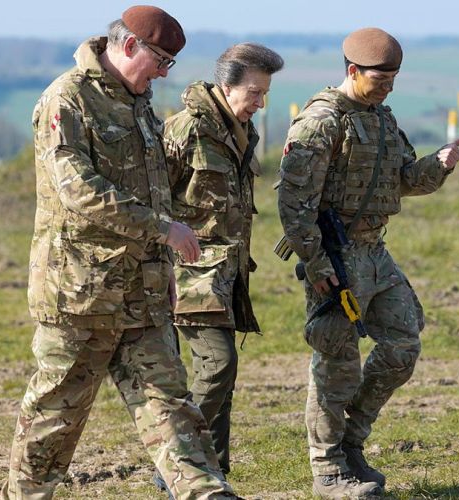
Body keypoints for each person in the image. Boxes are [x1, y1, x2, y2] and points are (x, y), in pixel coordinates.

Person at [2, 6, 237, 499]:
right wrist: (162, 229)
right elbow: (77, 189)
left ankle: (204, 492)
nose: (164, 73)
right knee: (56, 415)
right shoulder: (66, 99)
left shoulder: (139, 103)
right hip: (81, 295)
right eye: (160, 61)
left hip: (143, 292)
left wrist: (163, 262)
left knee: (170, 405)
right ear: (129, 46)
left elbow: (153, 189)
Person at [276, 27, 459, 499]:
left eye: (394, 79)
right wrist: (317, 264)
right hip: (336, 257)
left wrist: (438, 165)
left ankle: (351, 443)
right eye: (380, 79)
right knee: (336, 361)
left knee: (403, 345)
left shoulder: (381, 117)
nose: (388, 88)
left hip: (375, 254)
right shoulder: (320, 122)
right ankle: (328, 470)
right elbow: (294, 203)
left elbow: (403, 180)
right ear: (351, 71)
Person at [163, 43, 284, 478]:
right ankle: (176, 459)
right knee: (219, 365)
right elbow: (152, 200)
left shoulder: (240, 131)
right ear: (225, 85)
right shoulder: (186, 130)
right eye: (254, 92)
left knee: (223, 377)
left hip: (228, 273)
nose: (260, 102)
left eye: (265, 93)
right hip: (188, 273)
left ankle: (211, 474)